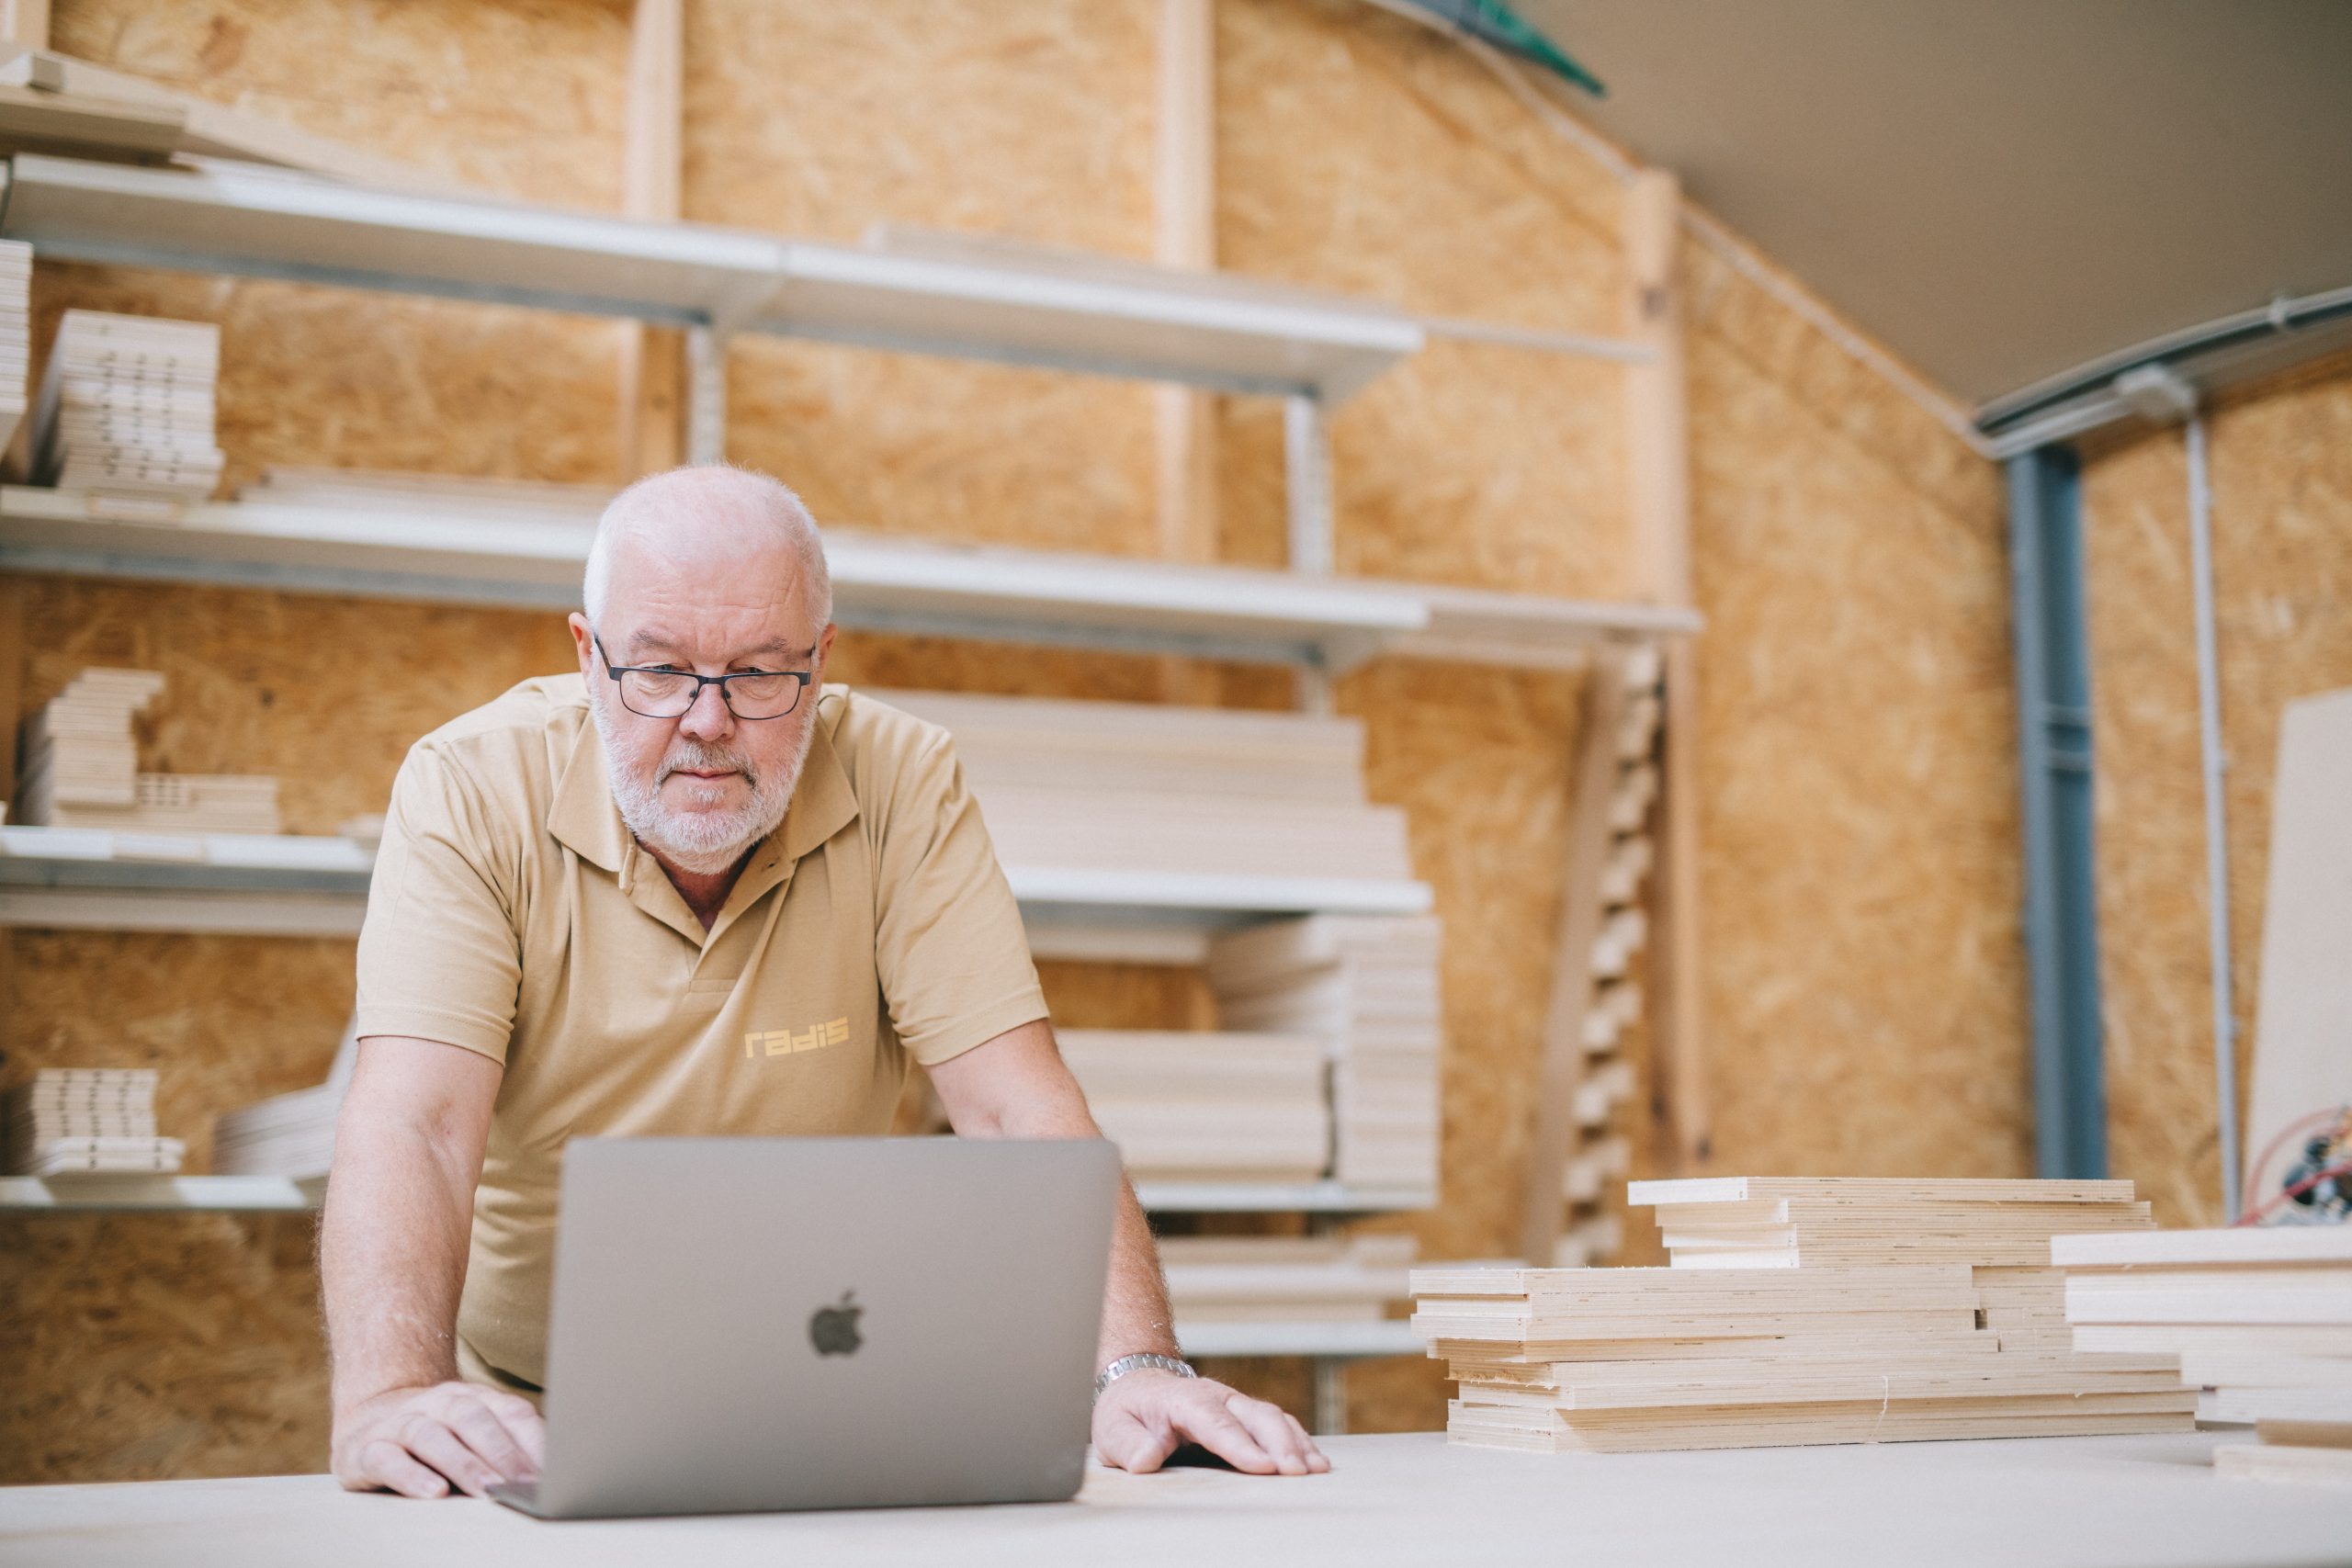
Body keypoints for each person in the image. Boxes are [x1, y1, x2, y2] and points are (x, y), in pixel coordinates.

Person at [321, 465, 1329, 1499]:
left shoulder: (904, 781)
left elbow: (1011, 1106)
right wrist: (392, 1393)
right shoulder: (469, 786)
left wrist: (1135, 1371)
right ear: (587, 656)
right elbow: (422, 1125)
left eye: (761, 675)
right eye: (660, 671)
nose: (708, 723)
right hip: (525, 1411)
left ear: (821, 660)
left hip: (821, 1384)